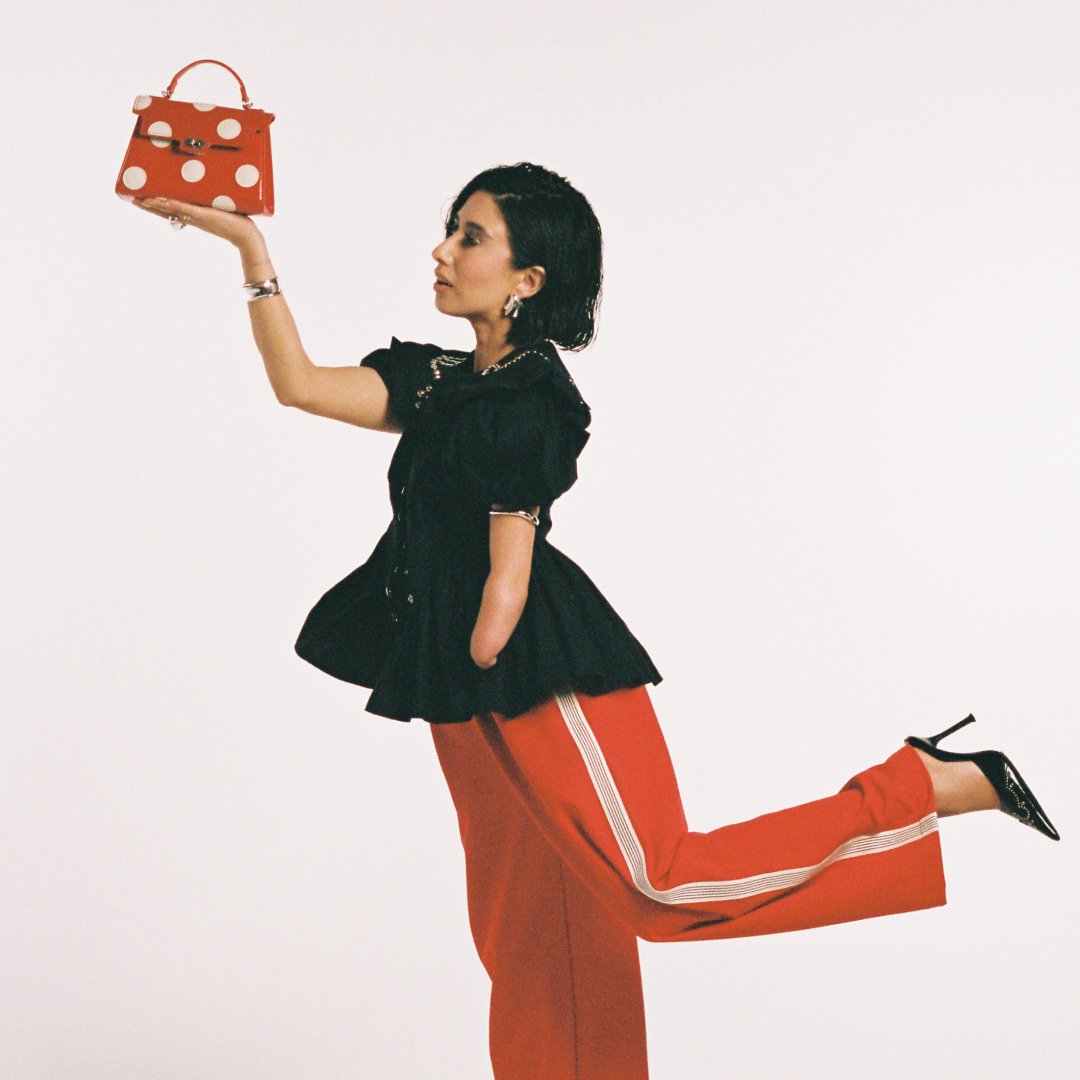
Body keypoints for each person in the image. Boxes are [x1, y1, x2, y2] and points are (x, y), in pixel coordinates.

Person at [135, 162, 1059, 1080]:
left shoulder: (532, 396)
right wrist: (249, 247)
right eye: (450, 229)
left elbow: (505, 587)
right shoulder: (437, 381)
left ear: (528, 280)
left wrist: (475, 664)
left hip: (533, 664)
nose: (443, 250)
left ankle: (920, 787)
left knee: (655, 883)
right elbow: (297, 383)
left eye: (471, 236)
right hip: (459, 674)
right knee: (529, 927)